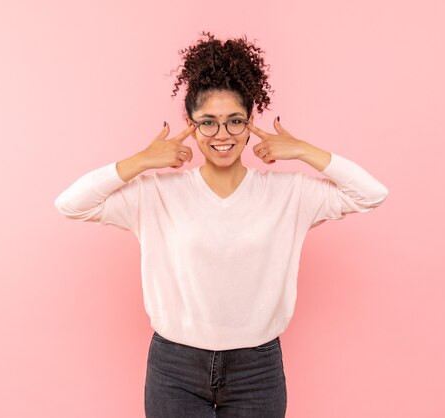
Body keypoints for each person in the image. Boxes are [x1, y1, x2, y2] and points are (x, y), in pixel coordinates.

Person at [54, 32, 388, 418]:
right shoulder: (156, 193)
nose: (222, 135)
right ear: (191, 126)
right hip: (174, 367)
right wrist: (141, 160)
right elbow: (70, 204)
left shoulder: (289, 194)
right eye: (208, 123)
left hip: (257, 369)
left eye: (234, 121)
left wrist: (303, 150)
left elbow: (372, 194)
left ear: (250, 123)